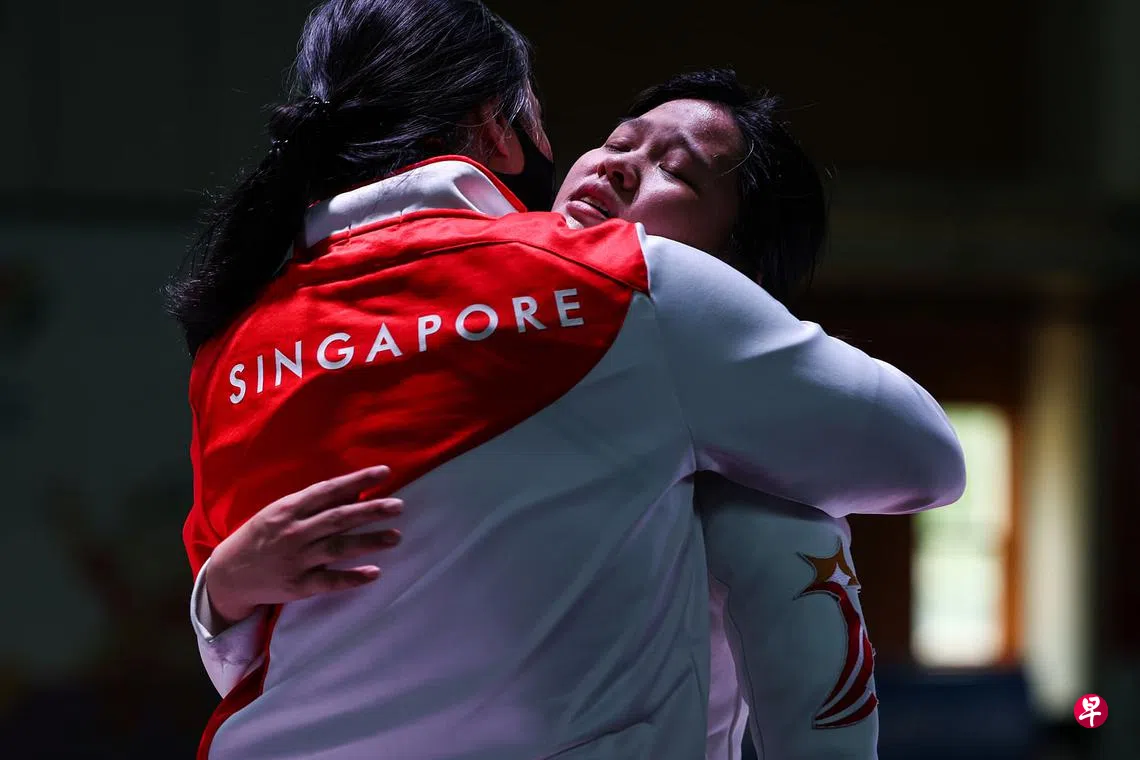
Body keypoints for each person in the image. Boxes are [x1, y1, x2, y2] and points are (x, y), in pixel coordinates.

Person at [170, 2, 965, 759]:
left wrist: (218, 592)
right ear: (498, 125)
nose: (619, 165)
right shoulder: (624, 286)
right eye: (618, 141)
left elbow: (245, 665)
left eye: (676, 171)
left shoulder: (234, 339)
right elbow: (929, 460)